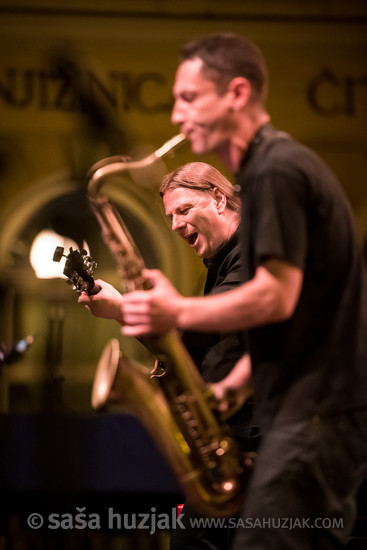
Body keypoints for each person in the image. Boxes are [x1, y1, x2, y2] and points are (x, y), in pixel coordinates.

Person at [120, 32, 367, 549]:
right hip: (303, 418)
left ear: (236, 93)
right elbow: (300, 314)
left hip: (313, 420)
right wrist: (236, 384)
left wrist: (175, 310)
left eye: (188, 98)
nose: (175, 116)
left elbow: (275, 297)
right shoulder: (268, 171)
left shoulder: (276, 169)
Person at [79, 161, 259, 550]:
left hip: (256, 440)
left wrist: (124, 308)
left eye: (183, 210)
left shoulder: (254, 251)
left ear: (218, 197)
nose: (175, 225)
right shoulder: (220, 261)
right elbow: (191, 342)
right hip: (232, 436)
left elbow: (206, 325)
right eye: (169, 217)